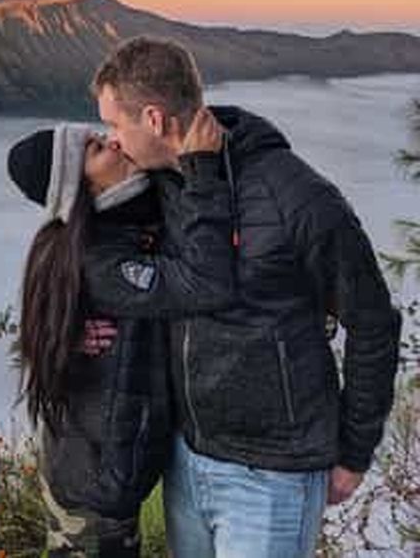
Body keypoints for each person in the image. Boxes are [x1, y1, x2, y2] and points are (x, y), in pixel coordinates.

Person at [85, 36, 402, 558]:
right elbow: (104, 261)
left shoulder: (295, 197)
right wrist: (75, 326)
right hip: (186, 460)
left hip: (273, 475)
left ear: (155, 119)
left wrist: (354, 453)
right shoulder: (158, 191)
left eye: (116, 125)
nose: (111, 140)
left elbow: (372, 323)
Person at [7, 115, 234, 558]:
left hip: (91, 463)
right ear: (78, 188)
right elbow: (205, 284)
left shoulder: (103, 234)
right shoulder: (101, 259)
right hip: (95, 482)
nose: (112, 143)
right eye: (94, 149)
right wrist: (203, 173)